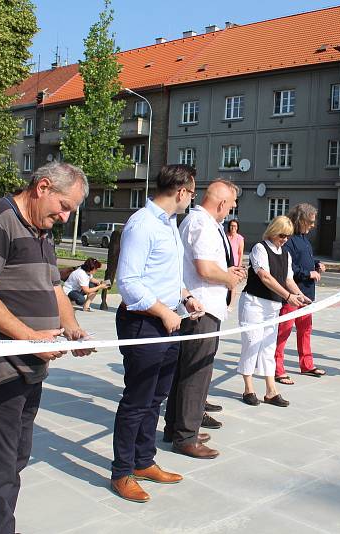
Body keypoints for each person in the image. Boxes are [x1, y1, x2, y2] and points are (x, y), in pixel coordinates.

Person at [0, 161, 93, 533]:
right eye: (64, 205)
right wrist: (28, 337)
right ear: (42, 186)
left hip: (29, 367)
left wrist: (73, 329)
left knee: (15, 458)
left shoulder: (41, 230)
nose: (65, 216)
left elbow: (54, 289)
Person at [111, 164, 204, 503]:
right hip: (144, 323)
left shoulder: (168, 224)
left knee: (156, 398)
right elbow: (129, 282)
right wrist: (164, 311)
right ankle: (121, 471)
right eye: (192, 193)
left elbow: (163, 276)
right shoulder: (142, 224)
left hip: (169, 321)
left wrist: (185, 296)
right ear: (181, 192)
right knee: (136, 400)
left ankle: (143, 460)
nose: (191, 199)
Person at [164, 180, 245, 459]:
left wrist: (226, 271)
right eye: (231, 205)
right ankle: (186, 435)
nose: (232, 210)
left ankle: (176, 427)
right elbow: (204, 268)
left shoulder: (204, 222)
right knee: (197, 372)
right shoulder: (201, 223)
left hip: (201, 307)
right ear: (222, 203)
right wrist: (229, 277)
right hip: (201, 310)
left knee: (186, 370)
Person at [238, 216, 311, 407]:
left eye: (288, 236)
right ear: (273, 231)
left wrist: (300, 295)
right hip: (254, 303)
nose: (285, 239)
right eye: (282, 235)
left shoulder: (285, 253)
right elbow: (265, 277)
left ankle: (271, 391)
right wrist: (288, 297)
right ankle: (249, 388)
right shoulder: (259, 248)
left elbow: (288, 279)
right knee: (252, 344)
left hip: (272, 306)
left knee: (269, 348)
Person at [273, 203, 326, 385]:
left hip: (307, 293)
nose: (313, 225)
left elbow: (305, 259)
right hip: (292, 294)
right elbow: (288, 267)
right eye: (310, 222)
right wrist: (307, 273)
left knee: (305, 331)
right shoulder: (289, 239)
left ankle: (307, 364)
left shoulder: (304, 238)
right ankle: (277, 368)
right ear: (300, 220)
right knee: (284, 331)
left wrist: (316, 264)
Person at [226, 218, 244, 309]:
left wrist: (239, 266)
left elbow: (241, 253)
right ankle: (225, 301)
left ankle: (231, 304)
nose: (233, 227)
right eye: (231, 225)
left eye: (235, 226)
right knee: (225, 283)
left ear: (237, 228)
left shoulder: (240, 238)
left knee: (233, 284)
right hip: (226, 263)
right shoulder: (226, 236)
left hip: (235, 264)